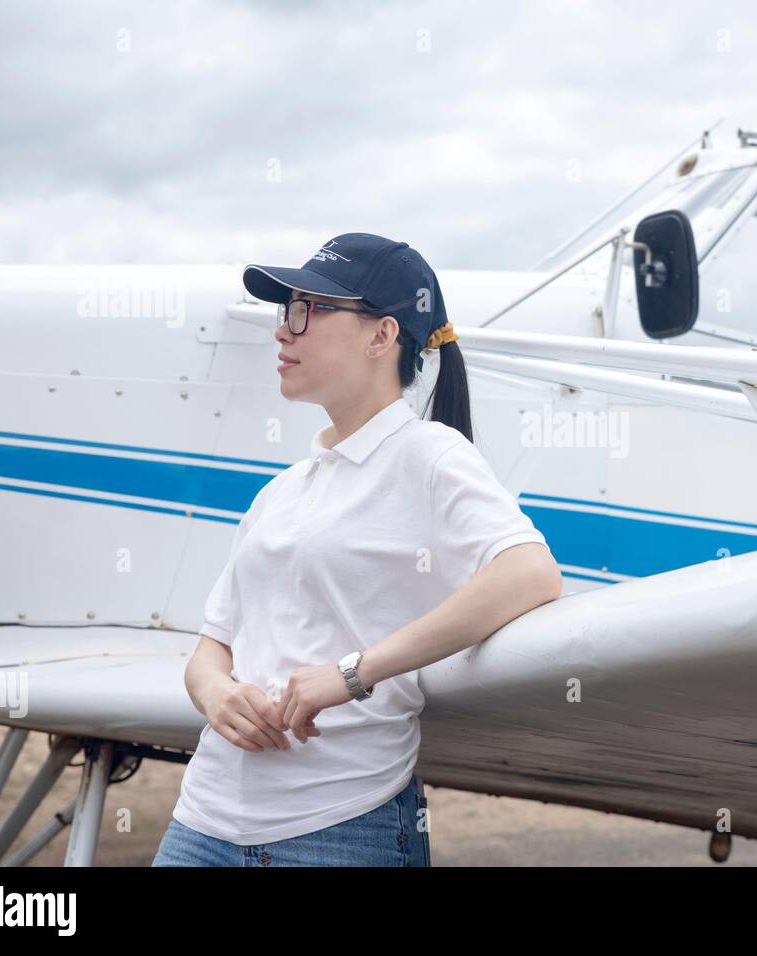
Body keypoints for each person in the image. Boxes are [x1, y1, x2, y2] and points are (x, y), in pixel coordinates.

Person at [152, 233, 563, 866]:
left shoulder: (430, 454)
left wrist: (354, 673)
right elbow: (214, 645)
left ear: (381, 336)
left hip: (338, 825)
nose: (282, 332)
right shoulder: (282, 490)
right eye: (285, 311)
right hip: (201, 822)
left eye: (306, 310)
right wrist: (216, 696)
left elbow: (530, 572)